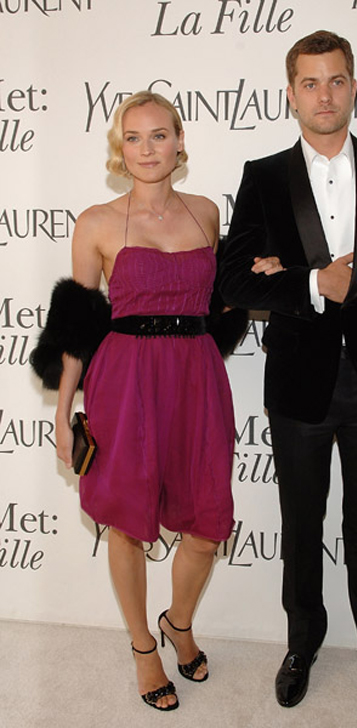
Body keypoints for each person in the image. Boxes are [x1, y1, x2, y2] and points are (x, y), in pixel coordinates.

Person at [219, 31, 357, 711]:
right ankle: (302, 643)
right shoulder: (263, 176)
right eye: (310, 83)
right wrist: (311, 282)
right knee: (302, 525)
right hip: (299, 384)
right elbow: (231, 280)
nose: (324, 95)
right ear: (291, 94)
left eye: (336, 80)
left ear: (353, 87)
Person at [31, 91, 238, 712]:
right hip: (125, 383)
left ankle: (179, 621)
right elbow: (76, 328)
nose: (147, 149)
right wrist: (63, 413)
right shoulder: (96, 222)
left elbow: (221, 304)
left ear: (180, 142)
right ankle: (144, 646)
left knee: (207, 523)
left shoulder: (207, 213)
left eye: (159, 135)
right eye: (133, 137)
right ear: (119, 150)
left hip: (197, 379)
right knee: (126, 520)